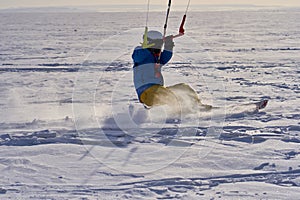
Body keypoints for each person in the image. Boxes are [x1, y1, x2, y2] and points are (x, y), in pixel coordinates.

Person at [132, 30, 211, 113]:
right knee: (169, 96)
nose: (159, 47)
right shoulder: (139, 52)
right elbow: (138, 57)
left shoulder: (156, 57)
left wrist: (168, 45)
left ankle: (197, 106)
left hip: (158, 89)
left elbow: (165, 56)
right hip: (146, 93)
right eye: (158, 44)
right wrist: (149, 49)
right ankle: (181, 110)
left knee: (184, 87)